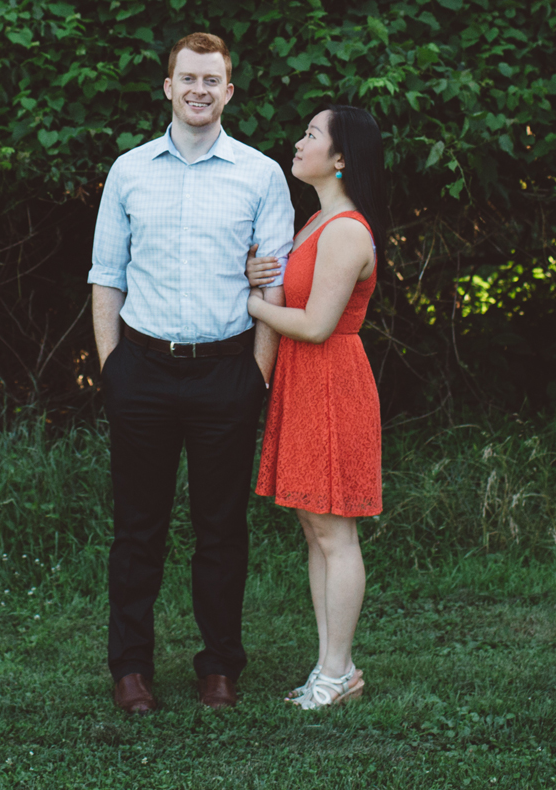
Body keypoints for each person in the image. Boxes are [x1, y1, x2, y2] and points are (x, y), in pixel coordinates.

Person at [88, 32, 293, 714]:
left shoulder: (261, 174)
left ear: (228, 92)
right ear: (168, 87)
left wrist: (257, 376)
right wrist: (112, 367)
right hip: (141, 370)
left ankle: (219, 667)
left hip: (226, 372)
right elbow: (106, 276)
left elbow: (277, 285)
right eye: (188, 77)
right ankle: (130, 669)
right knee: (137, 527)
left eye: (213, 79)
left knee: (221, 528)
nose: (200, 89)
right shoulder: (129, 170)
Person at [243, 104, 387, 711]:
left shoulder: (348, 229)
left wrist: (250, 304)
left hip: (332, 382)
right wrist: (258, 274)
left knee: (335, 530)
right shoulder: (314, 223)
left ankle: (337, 671)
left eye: (311, 135)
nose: (297, 143)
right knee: (314, 526)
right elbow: (289, 287)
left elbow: (316, 323)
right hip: (305, 384)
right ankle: (333, 666)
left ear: (341, 158)